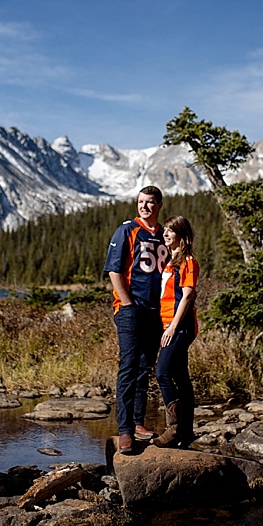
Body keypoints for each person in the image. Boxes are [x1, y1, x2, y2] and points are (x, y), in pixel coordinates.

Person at [104, 185, 167, 454]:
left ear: (159, 205)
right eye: (141, 202)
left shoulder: (165, 234)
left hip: (156, 312)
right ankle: (125, 430)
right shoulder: (127, 230)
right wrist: (127, 304)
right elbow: (113, 270)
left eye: (150, 202)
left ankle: (139, 422)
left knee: (145, 368)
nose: (144, 206)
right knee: (129, 367)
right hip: (131, 310)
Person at [153, 216, 198, 448]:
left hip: (180, 327)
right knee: (181, 378)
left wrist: (172, 326)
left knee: (162, 372)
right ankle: (187, 432)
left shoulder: (187, 261)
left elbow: (188, 295)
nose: (166, 234)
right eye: (165, 231)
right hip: (170, 325)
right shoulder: (171, 262)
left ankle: (174, 429)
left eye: (171, 231)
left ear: (181, 234)